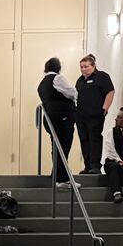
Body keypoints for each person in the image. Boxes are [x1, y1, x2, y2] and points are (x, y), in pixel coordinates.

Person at [37, 57, 81, 189]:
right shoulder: (57, 78)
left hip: (50, 118)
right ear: (58, 68)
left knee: (57, 146)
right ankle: (62, 179)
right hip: (62, 117)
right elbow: (72, 92)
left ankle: (56, 174)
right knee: (63, 147)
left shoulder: (42, 83)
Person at [75, 54, 115, 174]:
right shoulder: (80, 80)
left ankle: (95, 166)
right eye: (81, 67)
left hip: (95, 114)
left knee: (94, 139)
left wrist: (105, 108)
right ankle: (87, 166)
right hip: (80, 115)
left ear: (93, 66)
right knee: (84, 139)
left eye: (86, 66)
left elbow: (110, 91)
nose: (83, 69)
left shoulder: (101, 76)